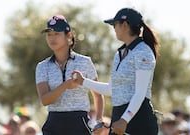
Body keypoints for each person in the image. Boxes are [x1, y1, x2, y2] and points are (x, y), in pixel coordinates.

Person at [72, 7, 160, 135]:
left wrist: (125, 119)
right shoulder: (119, 54)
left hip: (139, 120)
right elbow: (111, 89)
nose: (114, 28)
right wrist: (83, 81)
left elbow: (140, 93)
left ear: (124, 25)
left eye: (115, 25)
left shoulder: (143, 52)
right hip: (120, 117)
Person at [35, 14, 104, 135]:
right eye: (49, 34)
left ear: (69, 36)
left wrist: (98, 121)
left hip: (79, 123)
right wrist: (66, 85)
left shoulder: (85, 62)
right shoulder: (42, 66)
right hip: (54, 124)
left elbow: (97, 95)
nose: (52, 38)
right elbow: (45, 100)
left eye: (57, 34)